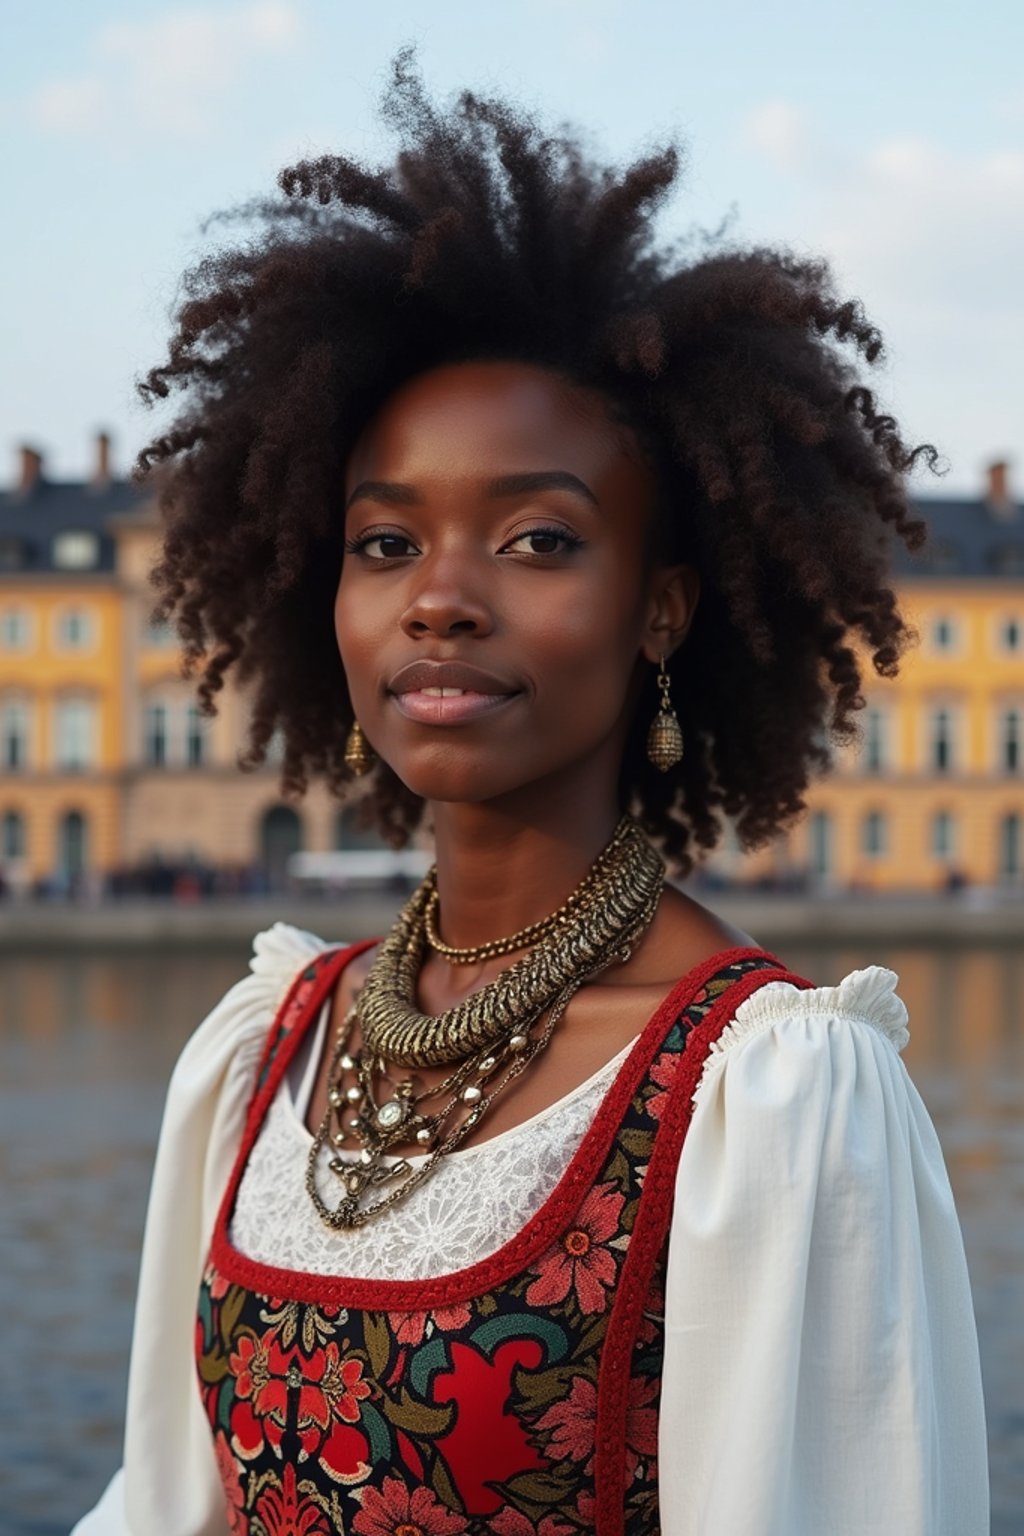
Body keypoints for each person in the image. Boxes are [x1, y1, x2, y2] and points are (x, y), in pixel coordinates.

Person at [74, 52, 988, 1536]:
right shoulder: (264, 1051)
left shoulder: (769, 1099)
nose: (439, 600)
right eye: (384, 545)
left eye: (539, 540)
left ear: (665, 609)